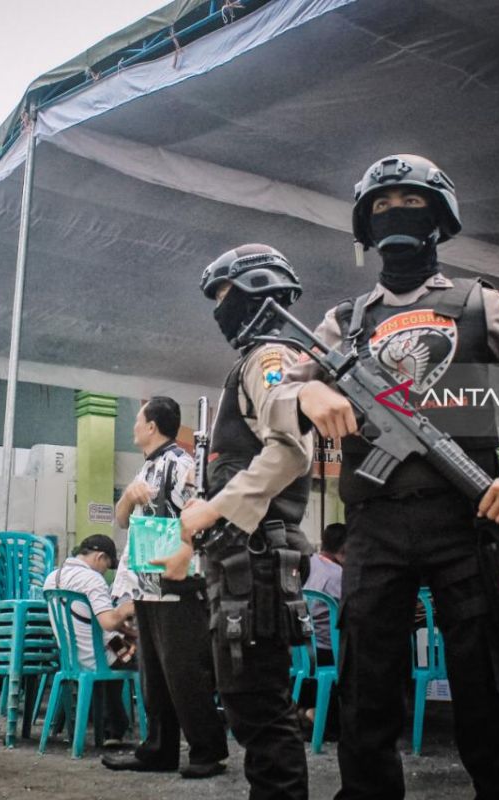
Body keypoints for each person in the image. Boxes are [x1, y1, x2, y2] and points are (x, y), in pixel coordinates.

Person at [273, 154, 499, 800]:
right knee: (364, 697)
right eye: (382, 206)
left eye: (410, 203)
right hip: (375, 525)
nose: (396, 215)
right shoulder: (344, 321)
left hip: (465, 520)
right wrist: (305, 397)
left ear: (439, 219)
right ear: (364, 226)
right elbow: (279, 387)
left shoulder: (479, 303)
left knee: (486, 694)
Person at [180, 243, 314, 800]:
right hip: (241, 558)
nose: (219, 307)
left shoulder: (269, 357)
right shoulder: (256, 360)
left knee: (259, 707)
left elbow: (290, 450)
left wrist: (213, 508)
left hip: (257, 559)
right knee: (249, 703)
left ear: (258, 289)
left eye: (224, 295)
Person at [104, 396, 229, 778]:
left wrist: (185, 553)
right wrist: (128, 495)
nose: (134, 428)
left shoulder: (181, 464)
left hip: (177, 584)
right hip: (146, 584)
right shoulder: (145, 470)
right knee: (154, 674)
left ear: (152, 426)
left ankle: (208, 751)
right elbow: (121, 520)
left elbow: (199, 517)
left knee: (184, 671)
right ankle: (159, 749)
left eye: (138, 421)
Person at [45, 534, 139, 745]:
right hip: (98, 657)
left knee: (121, 649)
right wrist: (128, 608)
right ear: (100, 557)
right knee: (147, 657)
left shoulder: (52, 578)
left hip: (72, 658)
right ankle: (148, 729)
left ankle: (113, 728)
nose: (106, 571)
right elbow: (107, 622)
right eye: (107, 564)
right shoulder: (92, 579)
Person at [297, 522, 347, 738]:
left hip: (300, 651)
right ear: (345, 549)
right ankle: (317, 715)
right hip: (327, 653)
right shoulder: (340, 577)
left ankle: (309, 712)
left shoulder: (307, 565)